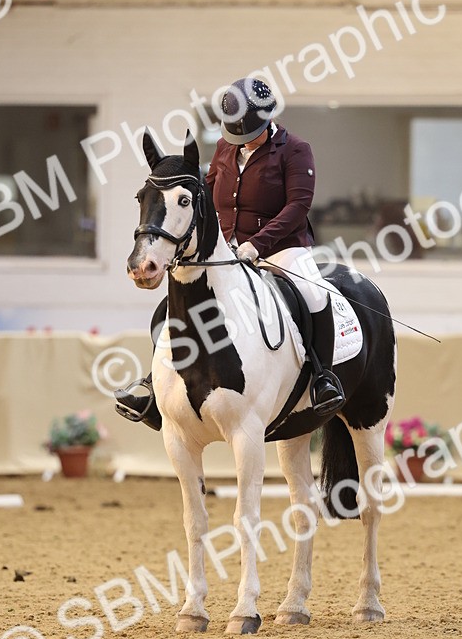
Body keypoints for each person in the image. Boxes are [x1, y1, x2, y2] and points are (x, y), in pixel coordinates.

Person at [116, 76, 345, 427]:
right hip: (228, 249)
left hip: (282, 248)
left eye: (249, 133)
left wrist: (258, 244)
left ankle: (323, 379)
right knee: (173, 302)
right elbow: (205, 199)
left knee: (314, 294)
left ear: (268, 118)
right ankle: (153, 385)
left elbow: (298, 206)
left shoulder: (295, 149)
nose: (241, 141)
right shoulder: (224, 148)